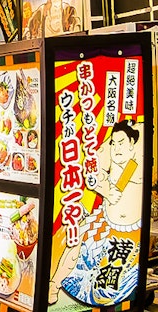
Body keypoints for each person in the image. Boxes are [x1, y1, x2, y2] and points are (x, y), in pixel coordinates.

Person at [50, 119, 145, 305]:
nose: (116, 147)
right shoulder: (111, 148)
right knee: (75, 244)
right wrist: (106, 190)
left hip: (132, 230)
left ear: (132, 142)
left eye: (121, 143)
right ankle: (54, 285)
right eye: (114, 143)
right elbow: (92, 170)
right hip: (105, 217)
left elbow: (135, 171)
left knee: (113, 279)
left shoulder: (140, 153)